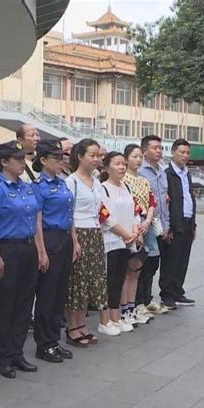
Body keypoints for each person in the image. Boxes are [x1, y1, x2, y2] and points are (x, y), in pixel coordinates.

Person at [0, 140, 42, 378]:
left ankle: (17, 352)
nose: (22, 163)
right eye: (18, 159)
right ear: (4, 162)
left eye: (23, 158)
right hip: (7, 249)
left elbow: (36, 218)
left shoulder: (26, 186)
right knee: (5, 305)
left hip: (27, 248)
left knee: (23, 303)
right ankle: (4, 356)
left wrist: (40, 251)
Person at [31, 140, 78, 362]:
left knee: (60, 293)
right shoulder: (39, 187)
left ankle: (54, 340)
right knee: (47, 294)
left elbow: (71, 214)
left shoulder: (62, 184)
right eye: (56, 158)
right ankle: (44, 343)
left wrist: (75, 241)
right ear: (43, 160)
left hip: (65, 238)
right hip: (49, 239)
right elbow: (37, 221)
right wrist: (41, 251)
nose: (61, 162)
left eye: (62, 158)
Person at [65, 139, 108, 343]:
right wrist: (75, 241)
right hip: (79, 233)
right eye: (92, 155)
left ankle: (82, 325)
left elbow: (101, 210)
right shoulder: (71, 181)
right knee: (76, 282)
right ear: (80, 156)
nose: (96, 159)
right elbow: (69, 214)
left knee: (91, 281)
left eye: (99, 155)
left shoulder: (97, 182)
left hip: (94, 233)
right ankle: (72, 328)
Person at [99, 151, 140, 334]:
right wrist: (125, 233)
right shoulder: (102, 188)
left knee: (119, 280)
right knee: (108, 280)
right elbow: (106, 217)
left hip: (127, 241)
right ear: (107, 167)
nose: (122, 167)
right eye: (117, 164)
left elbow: (136, 211)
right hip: (111, 241)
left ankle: (116, 318)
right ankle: (105, 321)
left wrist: (135, 230)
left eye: (123, 164)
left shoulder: (127, 187)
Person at [159, 139, 197, 309]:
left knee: (183, 259)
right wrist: (168, 226)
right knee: (171, 260)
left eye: (187, 153)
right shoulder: (167, 174)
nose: (185, 156)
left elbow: (189, 197)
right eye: (181, 152)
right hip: (175, 222)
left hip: (188, 222)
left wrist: (194, 225)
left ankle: (177, 291)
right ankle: (167, 294)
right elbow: (167, 201)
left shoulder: (186, 173)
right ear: (173, 152)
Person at [121, 144, 155, 324]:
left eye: (141, 156)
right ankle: (123, 309)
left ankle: (133, 306)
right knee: (128, 269)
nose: (139, 160)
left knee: (138, 270)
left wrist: (147, 221)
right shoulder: (123, 180)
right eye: (135, 156)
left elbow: (151, 201)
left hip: (145, 225)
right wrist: (137, 226)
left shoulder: (144, 180)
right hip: (129, 226)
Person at [137, 135, 171, 313]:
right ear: (144, 151)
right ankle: (139, 301)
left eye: (160, 148)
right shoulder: (140, 172)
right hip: (144, 225)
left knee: (153, 264)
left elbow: (165, 202)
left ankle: (148, 298)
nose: (158, 151)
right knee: (143, 264)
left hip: (159, 226)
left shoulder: (162, 171)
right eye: (154, 148)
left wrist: (166, 226)